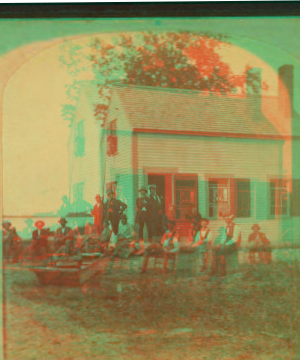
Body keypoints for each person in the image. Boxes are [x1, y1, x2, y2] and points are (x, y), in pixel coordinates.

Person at [210, 212, 241, 277]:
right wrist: (220, 244)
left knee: (221, 251)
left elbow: (235, 238)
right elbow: (224, 237)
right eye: (225, 219)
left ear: (231, 219)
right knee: (215, 250)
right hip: (226, 244)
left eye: (228, 219)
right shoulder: (226, 226)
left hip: (233, 244)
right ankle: (215, 270)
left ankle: (223, 271)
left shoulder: (236, 226)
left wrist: (226, 244)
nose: (226, 220)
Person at [135, 186, 150, 251]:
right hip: (140, 216)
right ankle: (140, 241)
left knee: (148, 228)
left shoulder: (148, 199)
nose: (142, 194)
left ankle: (148, 241)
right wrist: (141, 210)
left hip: (147, 216)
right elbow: (137, 208)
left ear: (145, 193)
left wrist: (146, 208)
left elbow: (150, 207)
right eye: (141, 193)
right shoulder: (138, 200)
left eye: (144, 193)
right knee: (140, 229)